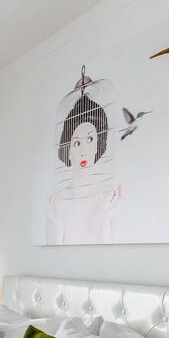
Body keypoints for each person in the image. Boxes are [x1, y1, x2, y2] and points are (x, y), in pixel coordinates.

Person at [45, 92, 124, 244]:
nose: (84, 151)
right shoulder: (56, 202)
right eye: (76, 143)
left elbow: (115, 258)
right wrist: (55, 222)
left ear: (97, 144)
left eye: (90, 139)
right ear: (67, 151)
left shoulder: (109, 196)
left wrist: (106, 218)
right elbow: (52, 257)